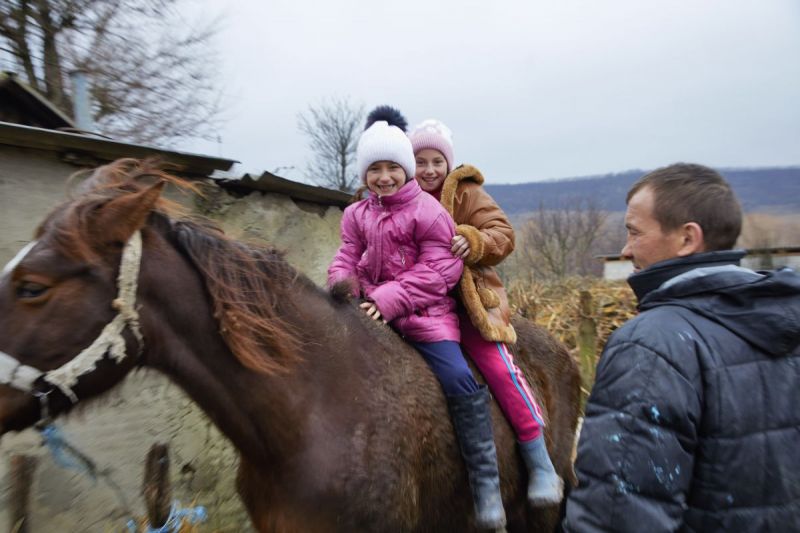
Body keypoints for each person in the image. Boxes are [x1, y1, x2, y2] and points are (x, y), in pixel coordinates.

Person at [563, 163, 800, 532]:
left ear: (688, 239)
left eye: (634, 232)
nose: (625, 250)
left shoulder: (653, 345)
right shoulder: (786, 325)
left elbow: (618, 513)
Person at [327, 106, 507, 529]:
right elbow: (346, 257)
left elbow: (442, 269)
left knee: (460, 380)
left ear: (406, 171)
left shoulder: (429, 212)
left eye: (393, 167)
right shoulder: (356, 214)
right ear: (364, 174)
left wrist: (390, 298)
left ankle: (486, 485)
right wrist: (342, 284)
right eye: (375, 169)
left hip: (427, 319)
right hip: (373, 315)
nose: (384, 177)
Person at [408, 119, 563, 507]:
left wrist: (474, 240)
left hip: (466, 302)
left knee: (498, 368)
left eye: (436, 161)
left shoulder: (467, 193)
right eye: (419, 161)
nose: (428, 170)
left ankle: (539, 460)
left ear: (448, 163)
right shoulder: (400, 194)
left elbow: (502, 233)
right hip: (415, 304)